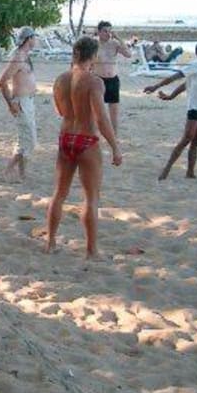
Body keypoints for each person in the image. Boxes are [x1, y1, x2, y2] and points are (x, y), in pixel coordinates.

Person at [45, 36, 123, 259]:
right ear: (94, 56)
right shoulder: (94, 81)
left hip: (65, 137)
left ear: (74, 53)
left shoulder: (60, 79)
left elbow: (60, 111)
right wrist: (115, 147)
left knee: (59, 193)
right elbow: (101, 118)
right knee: (91, 197)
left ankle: (50, 242)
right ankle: (91, 251)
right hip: (86, 140)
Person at [142, 41, 197, 181]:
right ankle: (167, 169)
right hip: (195, 108)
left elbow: (185, 85)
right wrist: (156, 86)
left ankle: (190, 172)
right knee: (186, 139)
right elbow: (175, 77)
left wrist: (171, 96)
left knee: (196, 143)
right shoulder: (195, 64)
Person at [0, 26, 38, 182]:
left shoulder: (26, 56)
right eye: (34, 37)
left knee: (26, 139)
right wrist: (11, 104)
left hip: (29, 101)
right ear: (28, 39)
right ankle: (8, 170)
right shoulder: (18, 58)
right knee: (29, 140)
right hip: (21, 102)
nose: (36, 40)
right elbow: (2, 82)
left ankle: (21, 174)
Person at [94, 21, 132, 133]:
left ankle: (114, 134)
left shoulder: (114, 44)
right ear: (99, 32)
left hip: (112, 79)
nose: (107, 34)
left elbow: (128, 54)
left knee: (114, 110)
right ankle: (96, 132)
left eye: (109, 31)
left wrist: (119, 38)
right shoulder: (94, 44)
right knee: (97, 109)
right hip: (98, 79)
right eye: (105, 31)